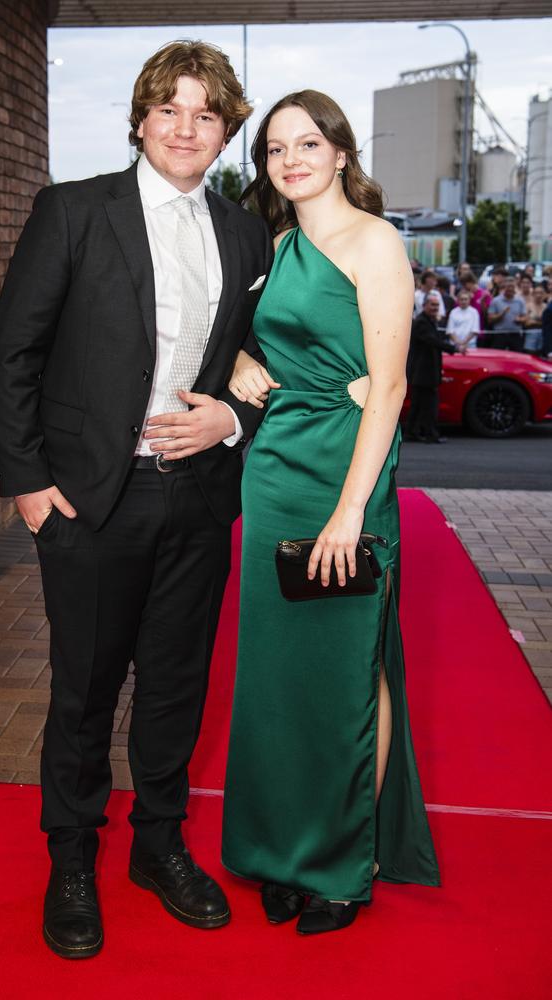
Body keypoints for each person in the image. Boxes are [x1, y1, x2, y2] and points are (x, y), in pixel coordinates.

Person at [0, 40, 273, 958]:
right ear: (142, 119)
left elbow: (258, 362)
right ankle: (71, 856)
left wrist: (228, 420)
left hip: (198, 498)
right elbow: (13, 353)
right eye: (170, 110)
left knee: (176, 686)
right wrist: (30, 485)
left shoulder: (243, 232)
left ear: (225, 130)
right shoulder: (72, 210)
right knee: (85, 692)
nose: (186, 128)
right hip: (89, 502)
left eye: (207, 114)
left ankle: (158, 844)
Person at [221, 89, 440, 936]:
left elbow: (389, 387)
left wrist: (352, 511)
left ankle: (343, 867)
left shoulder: (376, 242)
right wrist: (241, 357)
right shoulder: (273, 246)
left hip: (348, 477)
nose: (291, 159)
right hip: (275, 471)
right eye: (276, 149)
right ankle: (282, 852)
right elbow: (226, 328)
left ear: (341, 153)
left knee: (351, 670)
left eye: (307, 143)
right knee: (279, 681)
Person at [405, 292, 457, 442]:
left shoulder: (427, 321)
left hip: (422, 372)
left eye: (437, 305)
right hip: (423, 372)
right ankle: (431, 434)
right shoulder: (422, 322)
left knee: (418, 405)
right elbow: (433, 341)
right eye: (432, 305)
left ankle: (411, 432)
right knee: (430, 406)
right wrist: (454, 349)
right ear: (424, 306)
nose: (435, 308)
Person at [486, 276, 527, 350]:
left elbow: (525, 317)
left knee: (517, 356)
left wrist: (520, 319)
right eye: (508, 287)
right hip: (499, 334)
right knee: (498, 357)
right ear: (504, 287)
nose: (510, 289)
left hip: (515, 334)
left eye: (512, 287)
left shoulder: (520, 301)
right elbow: (490, 319)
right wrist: (501, 314)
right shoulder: (496, 301)